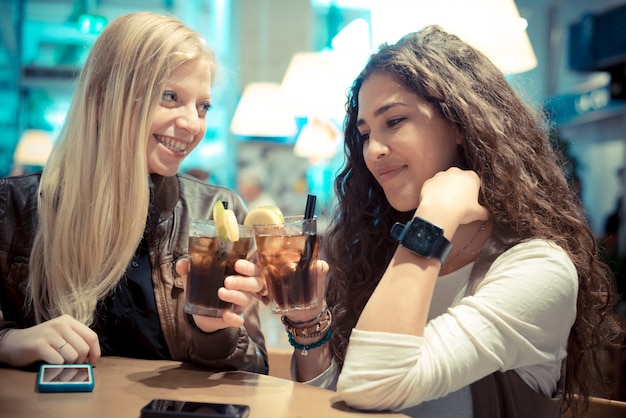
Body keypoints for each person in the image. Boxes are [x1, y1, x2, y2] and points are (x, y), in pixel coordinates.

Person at [244, 25, 624, 417]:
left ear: (460, 122)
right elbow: (337, 398)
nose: (373, 149)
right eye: (365, 133)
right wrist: (308, 323)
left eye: (394, 121)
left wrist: (432, 221)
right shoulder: (377, 251)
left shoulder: (537, 269)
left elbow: (372, 385)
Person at [0, 12, 267, 374]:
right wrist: (9, 342)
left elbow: (254, 370)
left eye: (203, 106)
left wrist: (212, 330)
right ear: (101, 99)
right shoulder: (11, 207)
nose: (192, 123)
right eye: (170, 97)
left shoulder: (217, 212)